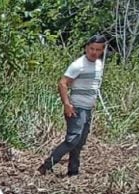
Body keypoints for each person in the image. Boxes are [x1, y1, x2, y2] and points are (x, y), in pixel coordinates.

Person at [38, 35, 108, 177]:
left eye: (98, 50)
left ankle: (73, 171)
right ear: (86, 48)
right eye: (91, 49)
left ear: (102, 50)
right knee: (72, 140)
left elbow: (94, 85)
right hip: (76, 107)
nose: (94, 52)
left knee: (80, 142)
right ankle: (46, 166)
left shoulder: (99, 64)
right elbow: (63, 83)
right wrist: (67, 104)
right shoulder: (78, 65)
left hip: (88, 109)